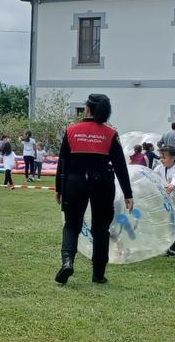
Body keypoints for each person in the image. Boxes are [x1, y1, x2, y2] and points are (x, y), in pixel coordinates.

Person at [56, 93, 134, 285]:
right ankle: (98, 274)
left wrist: (59, 188)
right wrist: (128, 193)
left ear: (87, 109)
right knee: (100, 229)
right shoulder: (111, 134)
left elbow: (62, 162)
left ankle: (67, 262)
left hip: (74, 183)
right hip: (102, 184)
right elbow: (120, 166)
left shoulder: (71, 131)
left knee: (71, 225)